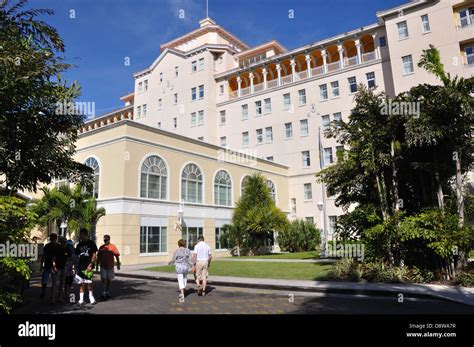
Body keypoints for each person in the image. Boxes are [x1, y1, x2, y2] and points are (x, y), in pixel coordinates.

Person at [73, 228, 98, 305]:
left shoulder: (91, 243)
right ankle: (81, 299)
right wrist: (73, 266)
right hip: (80, 266)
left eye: (82, 234)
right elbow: (76, 256)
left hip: (88, 266)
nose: (80, 236)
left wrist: (91, 264)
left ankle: (91, 297)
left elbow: (94, 255)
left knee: (89, 283)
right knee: (81, 283)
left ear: (86, 235)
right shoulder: (79, 245)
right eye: (80, 234)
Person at [97, 234, 120, 300]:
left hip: (110, 266)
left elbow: (117, 255)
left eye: (106, 240)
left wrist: (118, 264)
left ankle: (107, 292)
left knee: (109, 280)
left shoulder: (113, 247)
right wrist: (96, 265)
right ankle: (103, 293)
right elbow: (98, 257)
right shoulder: (101, 247)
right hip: (103, 266)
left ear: (109, 239)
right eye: (104, 240)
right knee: (104, 279)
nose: (105, 241)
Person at [40, 233, 60, 304]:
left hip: (49, 265)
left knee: (46, 279)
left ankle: (45, 292)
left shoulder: (47, 246)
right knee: (53, 281)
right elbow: (44, 256)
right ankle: (52, 296)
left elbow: (43, 256)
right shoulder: (57, 246)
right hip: (52, 265)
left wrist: (41, 265)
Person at [55, 236, 72, 302]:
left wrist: (66, 259)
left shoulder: (67, 248)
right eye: (62, 242)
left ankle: (60, 297)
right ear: (60, 242)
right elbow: (54, 257)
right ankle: (53, 297)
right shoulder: (57, 248)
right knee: (55, 282)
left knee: (62, 283)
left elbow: (69, 255)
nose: (64, 243)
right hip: (57, 267)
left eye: (65, 242)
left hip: (63, 267)